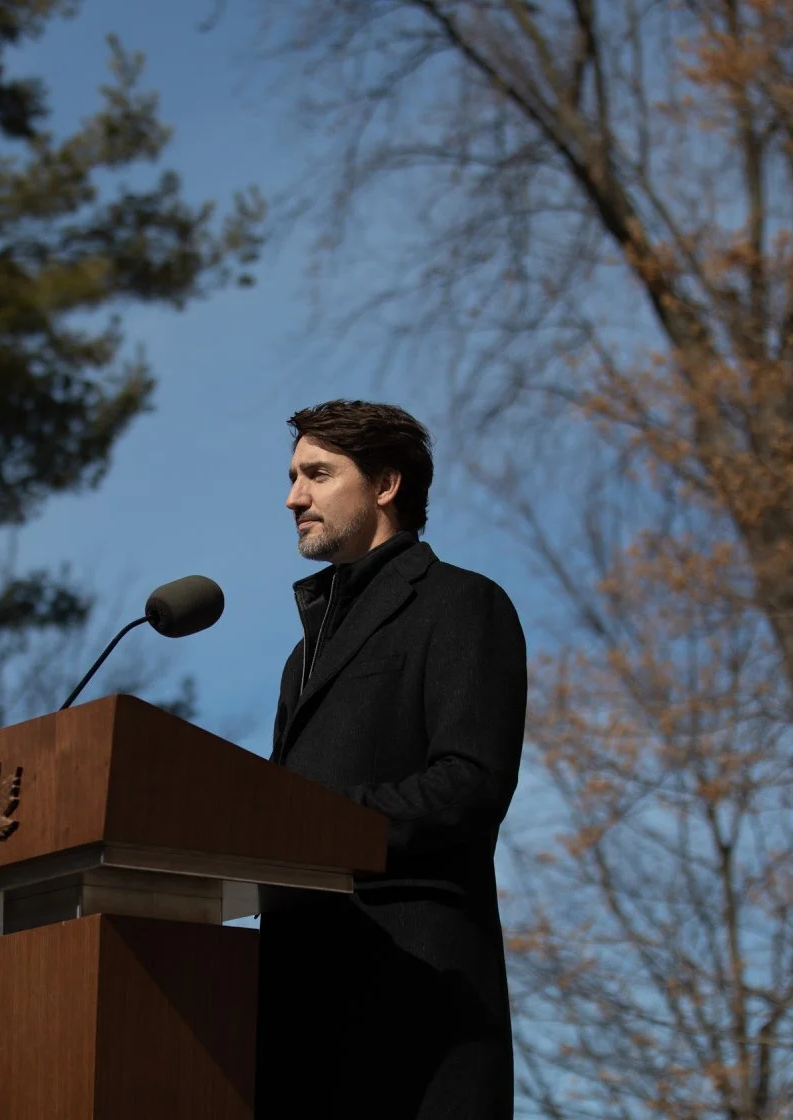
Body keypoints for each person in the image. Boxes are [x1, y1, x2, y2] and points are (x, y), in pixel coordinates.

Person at [256, 399, 528, 1119]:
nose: (293, 497)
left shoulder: (463, 604)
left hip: (413, 1010)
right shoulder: (300, 658)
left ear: (385, 484)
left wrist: (320, 825)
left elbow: (468, 785)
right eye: (292, 476)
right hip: (294, 1015)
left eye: (316, 473)